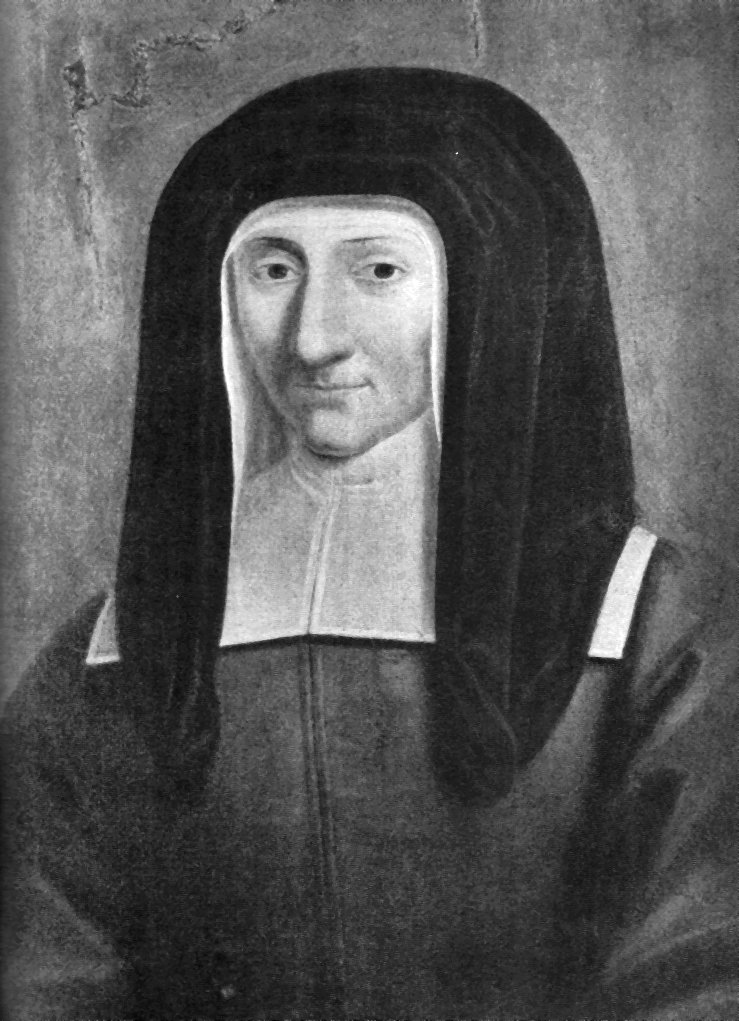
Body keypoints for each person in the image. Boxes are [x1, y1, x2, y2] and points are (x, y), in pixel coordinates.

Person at [2, 68, 738, 1020]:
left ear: (489, 294)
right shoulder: (117, 647)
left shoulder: (656, 624)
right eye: (273, 270)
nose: (313, 339)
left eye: (378, 270)